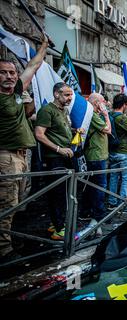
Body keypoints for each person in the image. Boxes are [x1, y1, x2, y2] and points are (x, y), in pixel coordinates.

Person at [0, 35, 49, 261]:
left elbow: (33, 65)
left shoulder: (17, 92)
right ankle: (4, 251)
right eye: (4, 73)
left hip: (21, 156)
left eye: (12, 72)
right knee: (6, 205)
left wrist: (44, 47)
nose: (10, 76)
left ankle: (9, 240)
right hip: (5, 157)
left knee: (17, 204)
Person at [35, 82, 75, 240]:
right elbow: (39, 134)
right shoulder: (46, 110)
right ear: (56, 94)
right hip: (54, 159)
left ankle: (55, 223)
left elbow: (58, 129)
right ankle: (59, 229)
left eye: (71, 94)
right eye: (66, 94)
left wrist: (74, 131)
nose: (70, 98)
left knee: (62, 193)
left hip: (65, 157)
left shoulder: (63, 110)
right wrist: (58, 149)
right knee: (57, 193)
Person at [80, 93, 111, 228]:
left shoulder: (92, 114)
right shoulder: (92, 114)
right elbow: (108, 130)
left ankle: (86, 211)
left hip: (97, 154)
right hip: (96, 156)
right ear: (97, 103)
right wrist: (106, 115)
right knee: (99, 186)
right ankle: (99, 214)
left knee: (91, 186)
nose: (105, 104)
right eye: (103, 102)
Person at [107, 94, 127, 211]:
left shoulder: (109, 115)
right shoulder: (123, 118)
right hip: (124, 153)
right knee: (126, 179)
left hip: (112, 151)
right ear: (124, 105)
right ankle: (123, 204)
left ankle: (112, 202)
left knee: (114, 178)